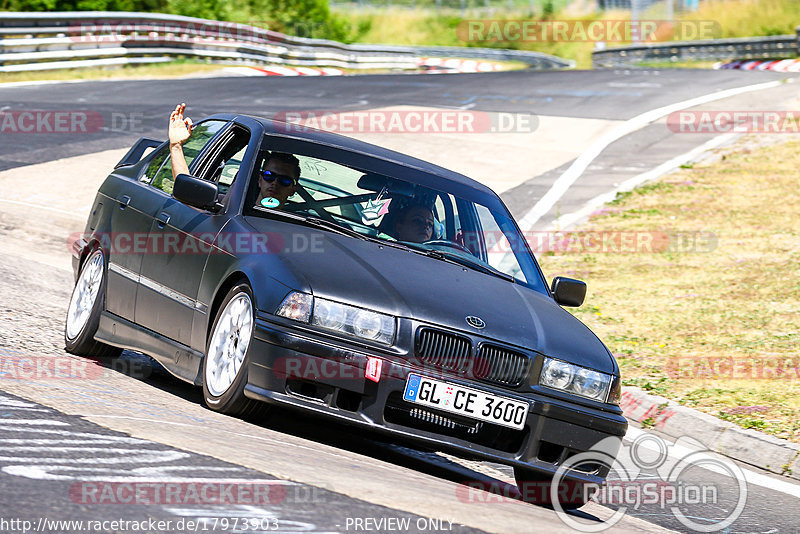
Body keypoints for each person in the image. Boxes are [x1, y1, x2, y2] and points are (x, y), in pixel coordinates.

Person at [168, 103, 300, 209]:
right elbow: (187, 192)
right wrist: (176, 146)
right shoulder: (225, 211)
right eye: (269, 176)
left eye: (285, 181)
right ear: (259, 180)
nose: (275, 183)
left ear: (293, 190)